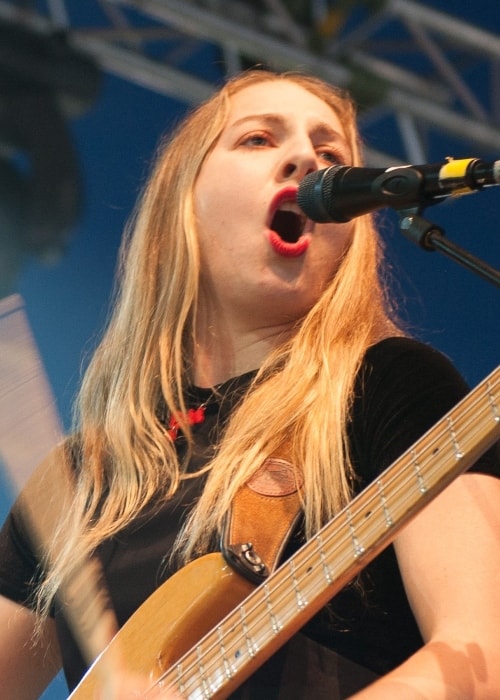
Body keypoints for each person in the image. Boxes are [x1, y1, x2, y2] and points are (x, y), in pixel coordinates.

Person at [0, 69, 499, 700]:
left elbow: (479, 658)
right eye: (259, 139)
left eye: (330, 154)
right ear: (184, 202)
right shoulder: (83, 479)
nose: (303, 158)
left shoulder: (390, 388)